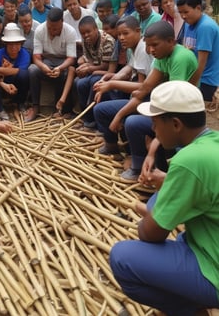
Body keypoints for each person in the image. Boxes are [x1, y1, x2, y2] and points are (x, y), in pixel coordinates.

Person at [110, 80, 219, 315]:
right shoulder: (212, 142)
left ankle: (189, 310)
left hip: (215, 267)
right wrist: (168, 184)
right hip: (207, 240)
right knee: (166, 219)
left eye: (156, 122)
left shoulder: (189, 161)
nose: (152, 128)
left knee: (122, 258)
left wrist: (151, 216)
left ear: (176, 124)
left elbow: (150, 234)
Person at [105, 20, 198, 181]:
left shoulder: (180, 57)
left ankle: (161, 172)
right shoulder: (162, 56)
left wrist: (154, 141)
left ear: (171, 41)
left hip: (182, 115)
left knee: (134, 123)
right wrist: (120, 114)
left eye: (154, 45)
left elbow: (174, 99)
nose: (151, 50)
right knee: (131, 117)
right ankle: (145, 166)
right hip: (168, 109)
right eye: (148, 46)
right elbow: (145, 87)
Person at [93, 16, 154, 157]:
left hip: (147, 100)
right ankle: (112, 146)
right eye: (119, 34)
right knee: (103, 103)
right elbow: (129, 66)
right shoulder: (134, 47)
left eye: (125, 33)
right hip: (141, 96)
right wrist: (113, 77)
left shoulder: (143, 49)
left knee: (104, 110)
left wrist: (112, 84)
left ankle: (133, 154)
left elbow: (141, 87)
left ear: (138, 31)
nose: (121, 37)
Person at [25, 7, 76, 122]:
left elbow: (71, 59)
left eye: (56, 28)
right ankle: (35, 106)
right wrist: (43, 67)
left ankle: (61, 109)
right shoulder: (40, 30)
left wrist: (60, 67)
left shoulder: (70, 31)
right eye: (50, 27)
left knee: (65, 73)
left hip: (63, 62)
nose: (52, 31)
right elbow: (36, 57)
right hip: (46, 60)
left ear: (62, 23)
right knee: (32, 70)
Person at [75, 15, 115, 129]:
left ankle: (98, 120)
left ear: (96, 29)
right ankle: (88, 118)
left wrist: (88, 68)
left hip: (107, 72)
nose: (86, 35)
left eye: (88, 32)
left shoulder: (107, 41)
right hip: (96, 68)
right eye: (83, 33)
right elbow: (89, 59)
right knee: (79, 83)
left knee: (94, 82)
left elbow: (107, 65)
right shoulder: (85, 41)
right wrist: (85, 66)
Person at [177, 0, 219, 101]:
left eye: (186, 12)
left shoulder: (205, 27)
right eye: (180, 12)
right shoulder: (188, 22)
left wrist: (188, 87)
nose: (183, 16)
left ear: (198, 8)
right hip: (193, 76)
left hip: (205, 81)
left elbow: (201, 65)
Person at [0, 23, 30, 112]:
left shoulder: (24, 54)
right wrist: (2, 79)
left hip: (16, 82)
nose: (14, 47)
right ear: (6, 44)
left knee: (24, 75)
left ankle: (20, 103)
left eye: (17, 44)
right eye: (11, 44)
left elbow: (19, 71)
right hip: (1, 82)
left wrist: (0, 69)